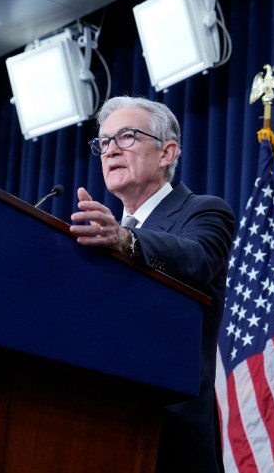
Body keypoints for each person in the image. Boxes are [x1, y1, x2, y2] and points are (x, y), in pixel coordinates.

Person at [69, 96, 235, 472]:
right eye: (104, 142)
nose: (110, 150)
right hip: (94, 425)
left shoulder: (204, 212)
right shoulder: (101, 235)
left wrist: (127, 241)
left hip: (169, 428)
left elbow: (196, 259)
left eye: (126, 137)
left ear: (167, 153)